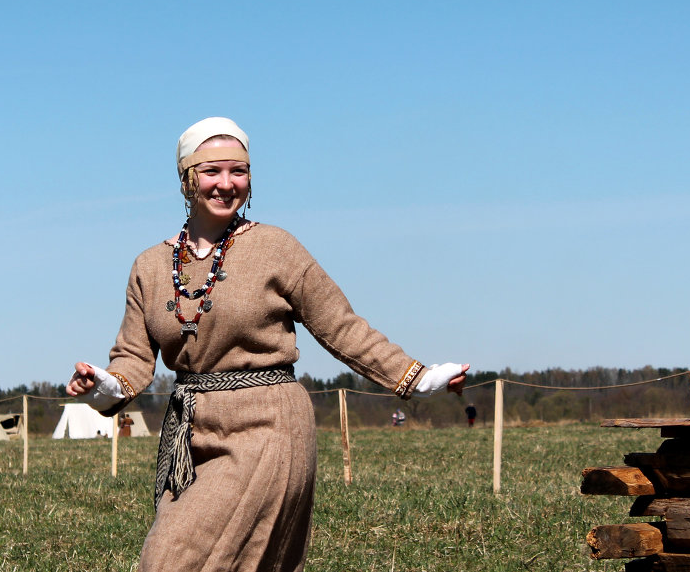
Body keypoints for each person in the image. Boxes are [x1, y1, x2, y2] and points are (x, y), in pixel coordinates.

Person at [66, 117, 468, 572]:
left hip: (268, 427)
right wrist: (102, 386)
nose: (226, 184)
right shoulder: (150, 265)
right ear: (186, 178)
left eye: (238, 171)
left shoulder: (277, 248)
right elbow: (134, 359)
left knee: (170, 561)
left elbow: (341, 326)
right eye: (211, 171)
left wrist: (417, 376)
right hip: (190, 435)